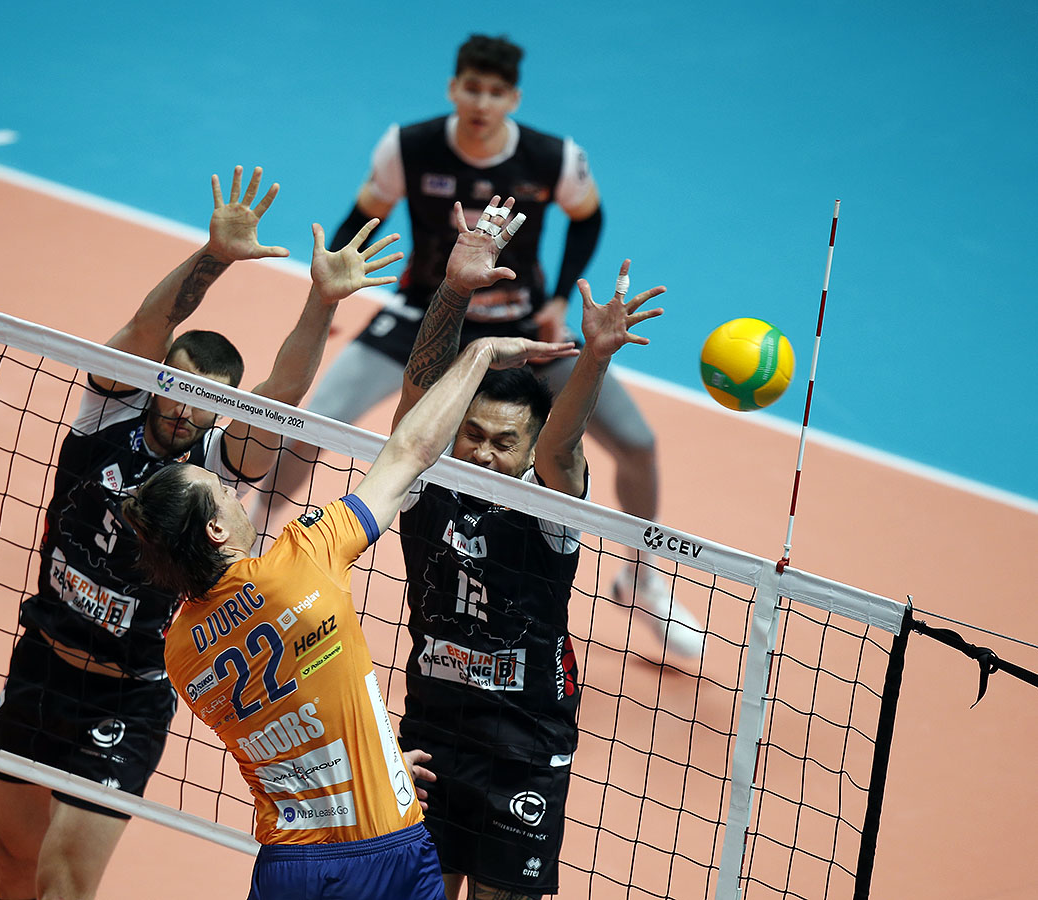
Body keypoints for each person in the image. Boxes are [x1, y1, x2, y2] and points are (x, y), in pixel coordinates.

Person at [121, 202, 576, 900]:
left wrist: (378, 766)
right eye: (219, 492)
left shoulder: (180, 652)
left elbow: (304, 716)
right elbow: (410, 446)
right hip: (386, 851)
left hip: (289, 863)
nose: (233, 491)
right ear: (214, 531)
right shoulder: (301, 557)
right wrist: (479, 351)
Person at [0, 166, 403, 900]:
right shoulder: (108, 413)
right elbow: (147, 329)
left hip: (127, 696)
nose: (184, 410)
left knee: (62, 884)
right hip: (39, 663)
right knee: (13, 860)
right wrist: (213, 256)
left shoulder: (218, 466)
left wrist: (321, 299)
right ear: (157, 380)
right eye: (175, 389)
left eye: (205, 401)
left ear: (223, 407)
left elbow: (282, 392)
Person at [260, 33, 702, 661]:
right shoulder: (408, 147)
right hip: (426, 316)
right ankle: (257, 538)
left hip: (524, 325)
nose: (481, 103)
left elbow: (589, 217)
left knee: (637, 443)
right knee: (311, 422)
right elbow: (364, 214)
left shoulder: (554, 158)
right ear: (453, 88)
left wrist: (557, 300)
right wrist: (332, 290)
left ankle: (643, 578)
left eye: (496, 93)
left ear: (513, 99)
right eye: (472, 88)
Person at [389, 197, 666, 899]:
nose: (483, 453)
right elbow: (418, 398)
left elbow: (563, 445)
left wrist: (594, 358)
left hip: (523, 747)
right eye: (473, 434)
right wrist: (453, 290)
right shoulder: (423, 484)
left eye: (504, 442)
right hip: (431, 732)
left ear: (528, 450)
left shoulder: (549, 507)